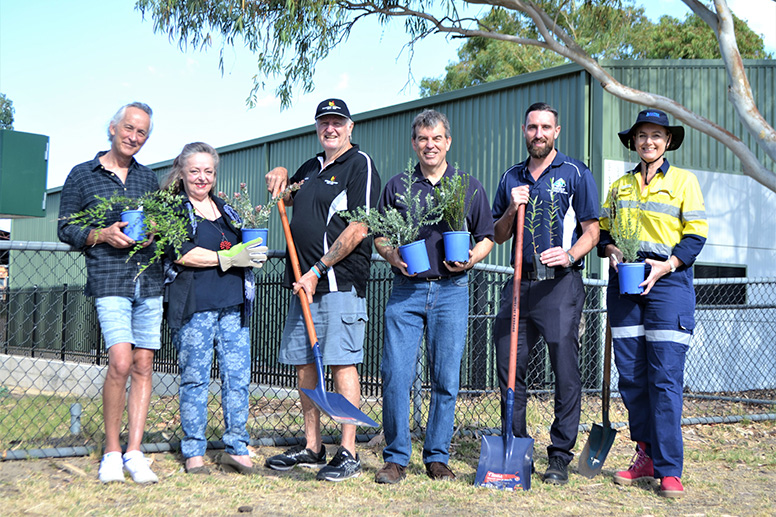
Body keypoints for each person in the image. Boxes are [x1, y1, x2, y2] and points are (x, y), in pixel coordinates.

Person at [374, 109, 494, 484]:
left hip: (451, 291)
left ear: (448, 142)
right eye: (423, 139)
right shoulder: (397, 186)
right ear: (414, 143)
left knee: (445, 377)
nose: (430, 145)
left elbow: (486, 235)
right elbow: (380, 235)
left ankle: (436, 456)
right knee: (396, 375)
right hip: (406, 290)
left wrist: (472, 257)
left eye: (437, 138)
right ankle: (396, 457)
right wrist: (392, 254)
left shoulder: (468, 186)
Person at [264, 98, 381, 482]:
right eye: (324, 122)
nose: (330, 128)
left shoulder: (359, 165)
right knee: (304, 365)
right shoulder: (312, 167)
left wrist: (318, 269)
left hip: (336, 282)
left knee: (341, 362)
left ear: (350, 127)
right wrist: (281, 173)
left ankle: (348, 451)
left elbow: (360, 227)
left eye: (337, 122)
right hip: (304, 286)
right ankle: (313, 445)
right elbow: (287, 195)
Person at [599, 109, 707, 498]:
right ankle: (644, 453)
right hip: (625, 286)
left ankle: (669, 469)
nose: (649, 142)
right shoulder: (619, 187)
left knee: (664, 379)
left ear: (668, 141)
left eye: (656, 135)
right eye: (642, 135)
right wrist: (611, 251)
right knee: (631, 375)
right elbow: (604, 235)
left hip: (669, 285)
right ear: (633, 141)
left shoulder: (684, 182)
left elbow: (695, 237)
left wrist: (667, 266)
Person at [491, 102, 600, 485]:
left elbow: (592, 231)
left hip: (560, 286)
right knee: (508, 365)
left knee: (564, 369)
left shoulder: (574, 173)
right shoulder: (511, 177)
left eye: (546, 127)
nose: (538, 133)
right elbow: (499, 233)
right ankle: (517, 446)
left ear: (557, 132)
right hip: (520, 283)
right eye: (532, 127)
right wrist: (510, 208)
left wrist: (569, 254)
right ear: (524, 130)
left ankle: (559, 455)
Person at [57, 102, 163, 484]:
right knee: (120, 361)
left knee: (144, 364)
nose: (134, 137)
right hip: (109, 280)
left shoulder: (148, 179)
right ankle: (112, 452)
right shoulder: (82, 175)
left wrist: (153, 233)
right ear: (113, 128)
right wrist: (101, 234)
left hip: (148, 281)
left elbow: (159, 227)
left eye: (142, 133)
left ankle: (135, 453)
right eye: (129, 128)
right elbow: (65, 227)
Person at [161, 142, 268, 475]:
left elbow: (242, 247)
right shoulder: (176, 210)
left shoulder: (225, 209)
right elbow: (181, 253)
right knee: (196, 379)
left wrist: (250, 254)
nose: (202, 177)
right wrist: (228, 258)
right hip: (196, 307)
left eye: (208, 171)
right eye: (194, 171)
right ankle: (193, 449)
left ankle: (236, 446)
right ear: (181, 172)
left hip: (233, 305)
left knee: (237, 378)